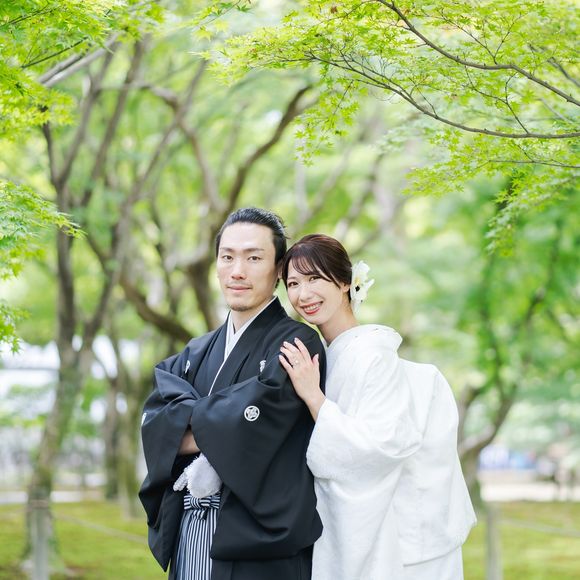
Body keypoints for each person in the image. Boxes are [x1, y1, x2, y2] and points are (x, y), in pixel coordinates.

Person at [139, 209, 326, 580]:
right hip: (190, 532)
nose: (237, 271)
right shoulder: (195, 352)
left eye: (253, 258)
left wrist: (182, 425)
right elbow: (155, 422)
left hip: (260, 548)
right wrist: (220, 421)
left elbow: (257, 424)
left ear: (278, 269)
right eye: (227, 257)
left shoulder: (297, 343)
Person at [279, 234, 476, 580]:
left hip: (403, 546)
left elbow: (380, 446)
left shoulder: (372, 355)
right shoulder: (331, 355)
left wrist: (314, 398)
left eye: (314, 278)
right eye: (293, 283)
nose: (303, 294)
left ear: (345, 282)